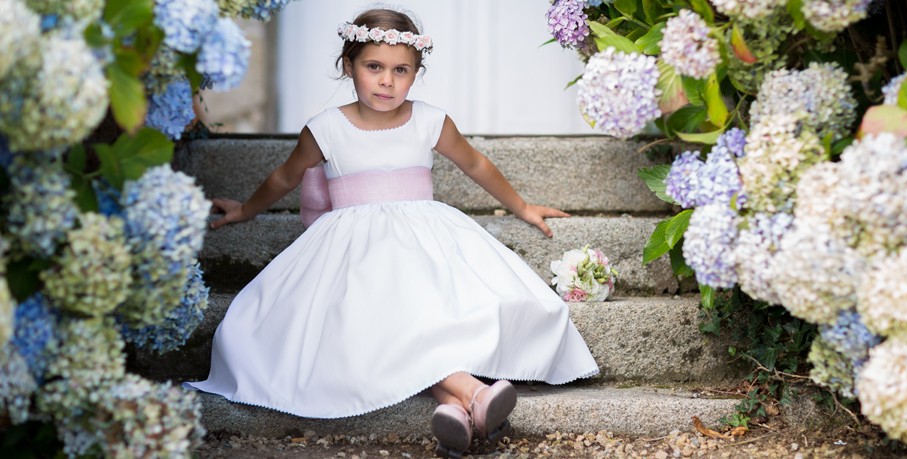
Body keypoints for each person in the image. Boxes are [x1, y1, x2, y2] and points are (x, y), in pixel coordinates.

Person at [184, 7, 599, 457]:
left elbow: (475, 163)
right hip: (353, 251)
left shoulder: (430, 120)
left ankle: (458, 408)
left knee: (429, 311)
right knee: (376, 312)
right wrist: (246, 209)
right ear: (349, 66)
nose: (387, 81)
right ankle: (474, 394)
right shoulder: (326, 128)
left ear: (416, 73)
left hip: (426, 240)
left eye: (401, 70)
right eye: (374, 67)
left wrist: (521, 206)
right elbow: (285, 178)